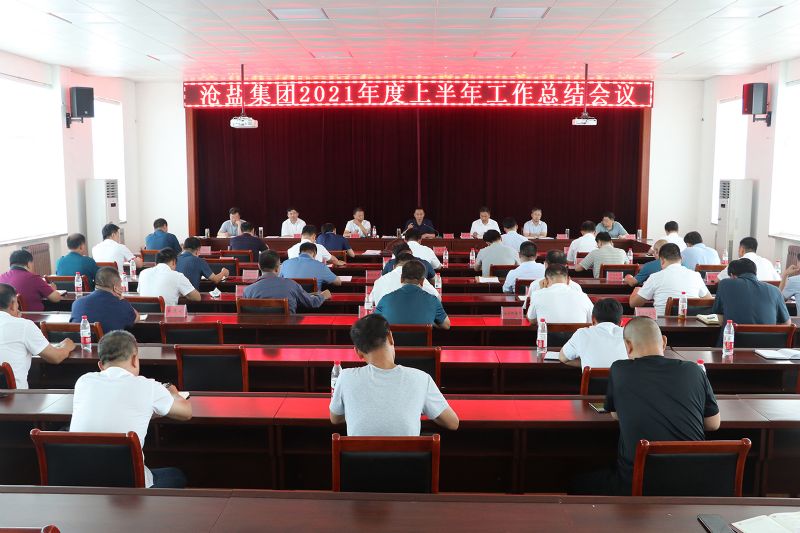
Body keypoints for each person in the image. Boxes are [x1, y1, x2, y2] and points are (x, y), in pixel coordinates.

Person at [571, 318, 720, 496]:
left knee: (576, 483)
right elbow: (713, 424)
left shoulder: (620, 370)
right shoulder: (694, 370)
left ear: (628, 346)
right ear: (664, 341)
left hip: (638, 484)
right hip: (694, 484)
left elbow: (615, 415)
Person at [69, 330, 192, 488]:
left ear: (100, 365)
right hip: (130, 487)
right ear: (135, 359)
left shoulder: (83, 382)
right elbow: (186, 413)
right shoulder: (148, 387)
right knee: (175, 475)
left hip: (82, 482)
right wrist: (173, 393)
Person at [330, 314, 459, 435]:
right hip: (409, 453)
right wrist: (421, 405)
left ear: (358, 352)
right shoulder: (421, 379)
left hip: (358, 453)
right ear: (390, 337)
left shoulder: (345, 378)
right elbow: (453, 423)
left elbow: (335, 419)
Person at [0, 283, 74, 389]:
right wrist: (67, 347)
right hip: (14, 396)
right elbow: (55, 357)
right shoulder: (24, 325)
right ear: (12, 304)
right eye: (17, 303)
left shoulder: (21, 325)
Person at [629, 243, 712, 316]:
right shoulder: (695, 275)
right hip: (691, 325)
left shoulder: (655, 277)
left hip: (662, 325)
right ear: (681, 258)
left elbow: (633, 304)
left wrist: (636, 290)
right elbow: (709, 300)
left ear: (662, 260)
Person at [243, 251, 331, 314]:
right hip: (288, 332)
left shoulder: (248, 291)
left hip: (260, 333)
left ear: (259, 266)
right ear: (277, 268)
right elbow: (312, 303)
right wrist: (323, 296)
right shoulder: (291, 285)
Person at [713, 258, 791, 328]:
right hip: (767, 339)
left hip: (733, 339)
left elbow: (718, 314)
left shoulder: (724, 284)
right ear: (755, 273)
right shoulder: (775, 290)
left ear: (732, 276)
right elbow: (787, 323)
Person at [374, 260, 450, 329]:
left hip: (393, 340)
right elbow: (446, 325)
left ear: (401, 279)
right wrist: (431, 324)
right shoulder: (433, 300)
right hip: (422, 340)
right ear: (422, 281)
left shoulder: (385, 299)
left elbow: (375, 323)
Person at [559, 299, 627, 369]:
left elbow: (562, 358)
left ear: (593, 320)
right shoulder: (629, 334)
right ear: (620, 322)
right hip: (622, 376)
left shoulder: (581, 334)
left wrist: (586, 362)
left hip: (591, 376)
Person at [70, 267, 138, 333]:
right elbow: (136, 317)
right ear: (115, 288)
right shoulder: (121, 305)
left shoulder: (77, 303)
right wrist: (122, 298)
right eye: (120, 284)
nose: (121, 287)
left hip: (79, 341)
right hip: (110, 341)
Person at [527, 264, 594, 323]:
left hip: (547, 334)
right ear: (568, 280)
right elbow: (592, 320)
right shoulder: (583, 296)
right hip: (577, 334)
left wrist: (541, 291)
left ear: (546, 280)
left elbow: (532, 320)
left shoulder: (537, 295)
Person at [371, 252, 440, 306]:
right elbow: (437, 298)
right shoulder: (417, 278)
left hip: (382, 319)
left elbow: (370, 302)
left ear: (393, 266)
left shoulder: (379, 281)